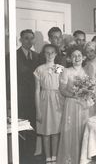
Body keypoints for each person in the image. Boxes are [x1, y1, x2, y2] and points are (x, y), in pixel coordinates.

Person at [57, 46, 94, 164]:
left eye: (79, 55)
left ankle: (83, 159)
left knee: (83, 130)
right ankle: (70, 159)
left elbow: (91, 88)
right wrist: (76, 95)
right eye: (73, 56)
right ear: (69, 58)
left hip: (84, 105)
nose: (76, 58)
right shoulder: (66, 71)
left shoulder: (87, 71)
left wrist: (88, 94)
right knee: (71, 131)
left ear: (83, 57)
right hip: (71, 105)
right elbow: (62, 90)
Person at [34, 44, 64, 163]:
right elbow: (37, 90)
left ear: (56, 54)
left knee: (56, 130)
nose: (50, 55)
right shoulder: (39, 69)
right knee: (46, 131)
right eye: (47, 52)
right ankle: (47, 157)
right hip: (44, 100)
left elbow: (63, 85)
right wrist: (38, 110)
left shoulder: (60, 68)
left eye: (52, 52)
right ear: (44, 54)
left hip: (57, 100)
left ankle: (55, 156)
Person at [16, 29, 39, 163]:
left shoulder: (37, 56)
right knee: (21, 130)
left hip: (34, 99)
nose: (29, 41)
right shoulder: (13, 55)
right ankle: (21, 158)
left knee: (33, 128)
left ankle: (31, 157)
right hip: (20, 99)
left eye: (31, 38)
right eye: (26, 38)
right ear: (21, 40)